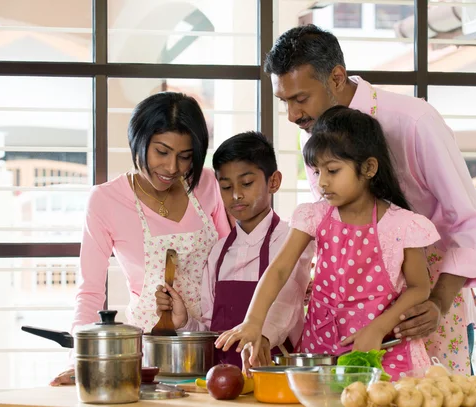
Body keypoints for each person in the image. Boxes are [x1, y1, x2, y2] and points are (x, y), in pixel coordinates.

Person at [259, 24, 476, 373]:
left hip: (429, 300)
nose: (292, 115)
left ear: (336, 77)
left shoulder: (414, 121)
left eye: (300, 99)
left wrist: (438, 303)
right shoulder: (316, 139)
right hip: (355, 324)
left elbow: (468, 223)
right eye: (284, 101)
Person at [216, 107, 441, 380]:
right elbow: (278, 271)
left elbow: (419, 288)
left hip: (385, 349)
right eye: (317, 171)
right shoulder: (315, 216)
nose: (322, 182)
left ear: (369, 168)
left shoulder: (403, 225)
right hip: (323, 350)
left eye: (332, 170)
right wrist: (253, 321)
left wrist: (379, 327)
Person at [50, 92, 230, 386]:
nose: (172, 168)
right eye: (161, 152)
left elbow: (232, 265)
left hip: (213, 345)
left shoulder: (207, 184)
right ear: (138, 140)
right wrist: (79, 361)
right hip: (148, 357)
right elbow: (91, 292)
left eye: (185, 157)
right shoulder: (106, 200)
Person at [155, 131, 314, 370]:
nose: (236, 194)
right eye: (227, 186)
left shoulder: (291, 240)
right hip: (221, 376)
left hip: (272, 370)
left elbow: (287, 304)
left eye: (247, 183)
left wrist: (262, 336)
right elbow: (211, 330)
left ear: (273, 181)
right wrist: (184, 321)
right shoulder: (218, 253)